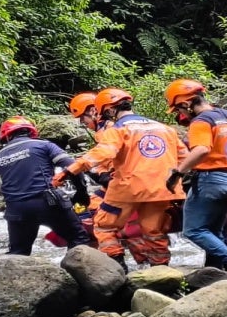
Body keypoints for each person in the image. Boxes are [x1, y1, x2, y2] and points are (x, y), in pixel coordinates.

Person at [53, 88, 186, 268]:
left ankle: (118, 267)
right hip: (163, 189)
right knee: (154, 232)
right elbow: (185, 158)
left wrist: (68, 172)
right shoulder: (165, 129)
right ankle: (162, 272)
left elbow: (100, 154)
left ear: (108, 110)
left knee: (103, 225)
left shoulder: (117, 130)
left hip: (128, 189)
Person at [165, 79, 227, 276]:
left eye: (179, 110)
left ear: (185, 103)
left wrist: (178, 172)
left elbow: (201, 149)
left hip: (210, 181)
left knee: (194, 230)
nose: (181, 115)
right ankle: (217, 273)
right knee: (216, 232)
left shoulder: (201, 121)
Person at [0, 116, 91, 255]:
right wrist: (81, 192)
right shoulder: (44, 145)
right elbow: (73, 166)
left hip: (16, 209)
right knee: (78, 238)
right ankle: (77, 274)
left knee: (18, 252)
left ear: (6, 136)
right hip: (48, 202)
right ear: (31, 132)